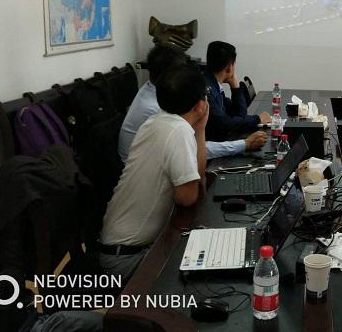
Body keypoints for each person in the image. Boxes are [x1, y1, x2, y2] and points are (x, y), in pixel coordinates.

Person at [99, 64, 209, 280]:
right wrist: (200, 129)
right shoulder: (178, 130)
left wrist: (200, 129)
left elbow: (195, 180)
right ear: (200, 105)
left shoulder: (156, 121)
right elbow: (188, 197)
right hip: (127, 258)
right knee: (203, 274)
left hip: (117, 247)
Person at [118, 45, 266, 163]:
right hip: (148, 173)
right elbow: (193, 149)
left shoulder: (152, 89)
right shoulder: (156, 109)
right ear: (172, 77)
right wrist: (244, 144)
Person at [203, 41, 270, 141]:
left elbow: (239, 114)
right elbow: (224, 124)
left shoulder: (211, 83)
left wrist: (235, 87)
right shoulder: (207, 88)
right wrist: (257, 119)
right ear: (230, 67)